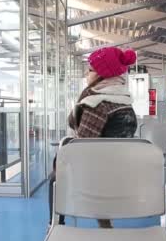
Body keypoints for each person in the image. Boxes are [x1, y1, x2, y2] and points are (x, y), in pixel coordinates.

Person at [49, 47, 138, 229]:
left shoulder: (96, 103)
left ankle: (55, 225)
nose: (86, 73)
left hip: (97, 176)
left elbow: (81, 146)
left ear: (102, 74)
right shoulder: (125, 101)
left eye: (90, 70)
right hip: (123, 172)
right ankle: (105, 224)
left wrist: (59, 161)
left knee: (55, 178)